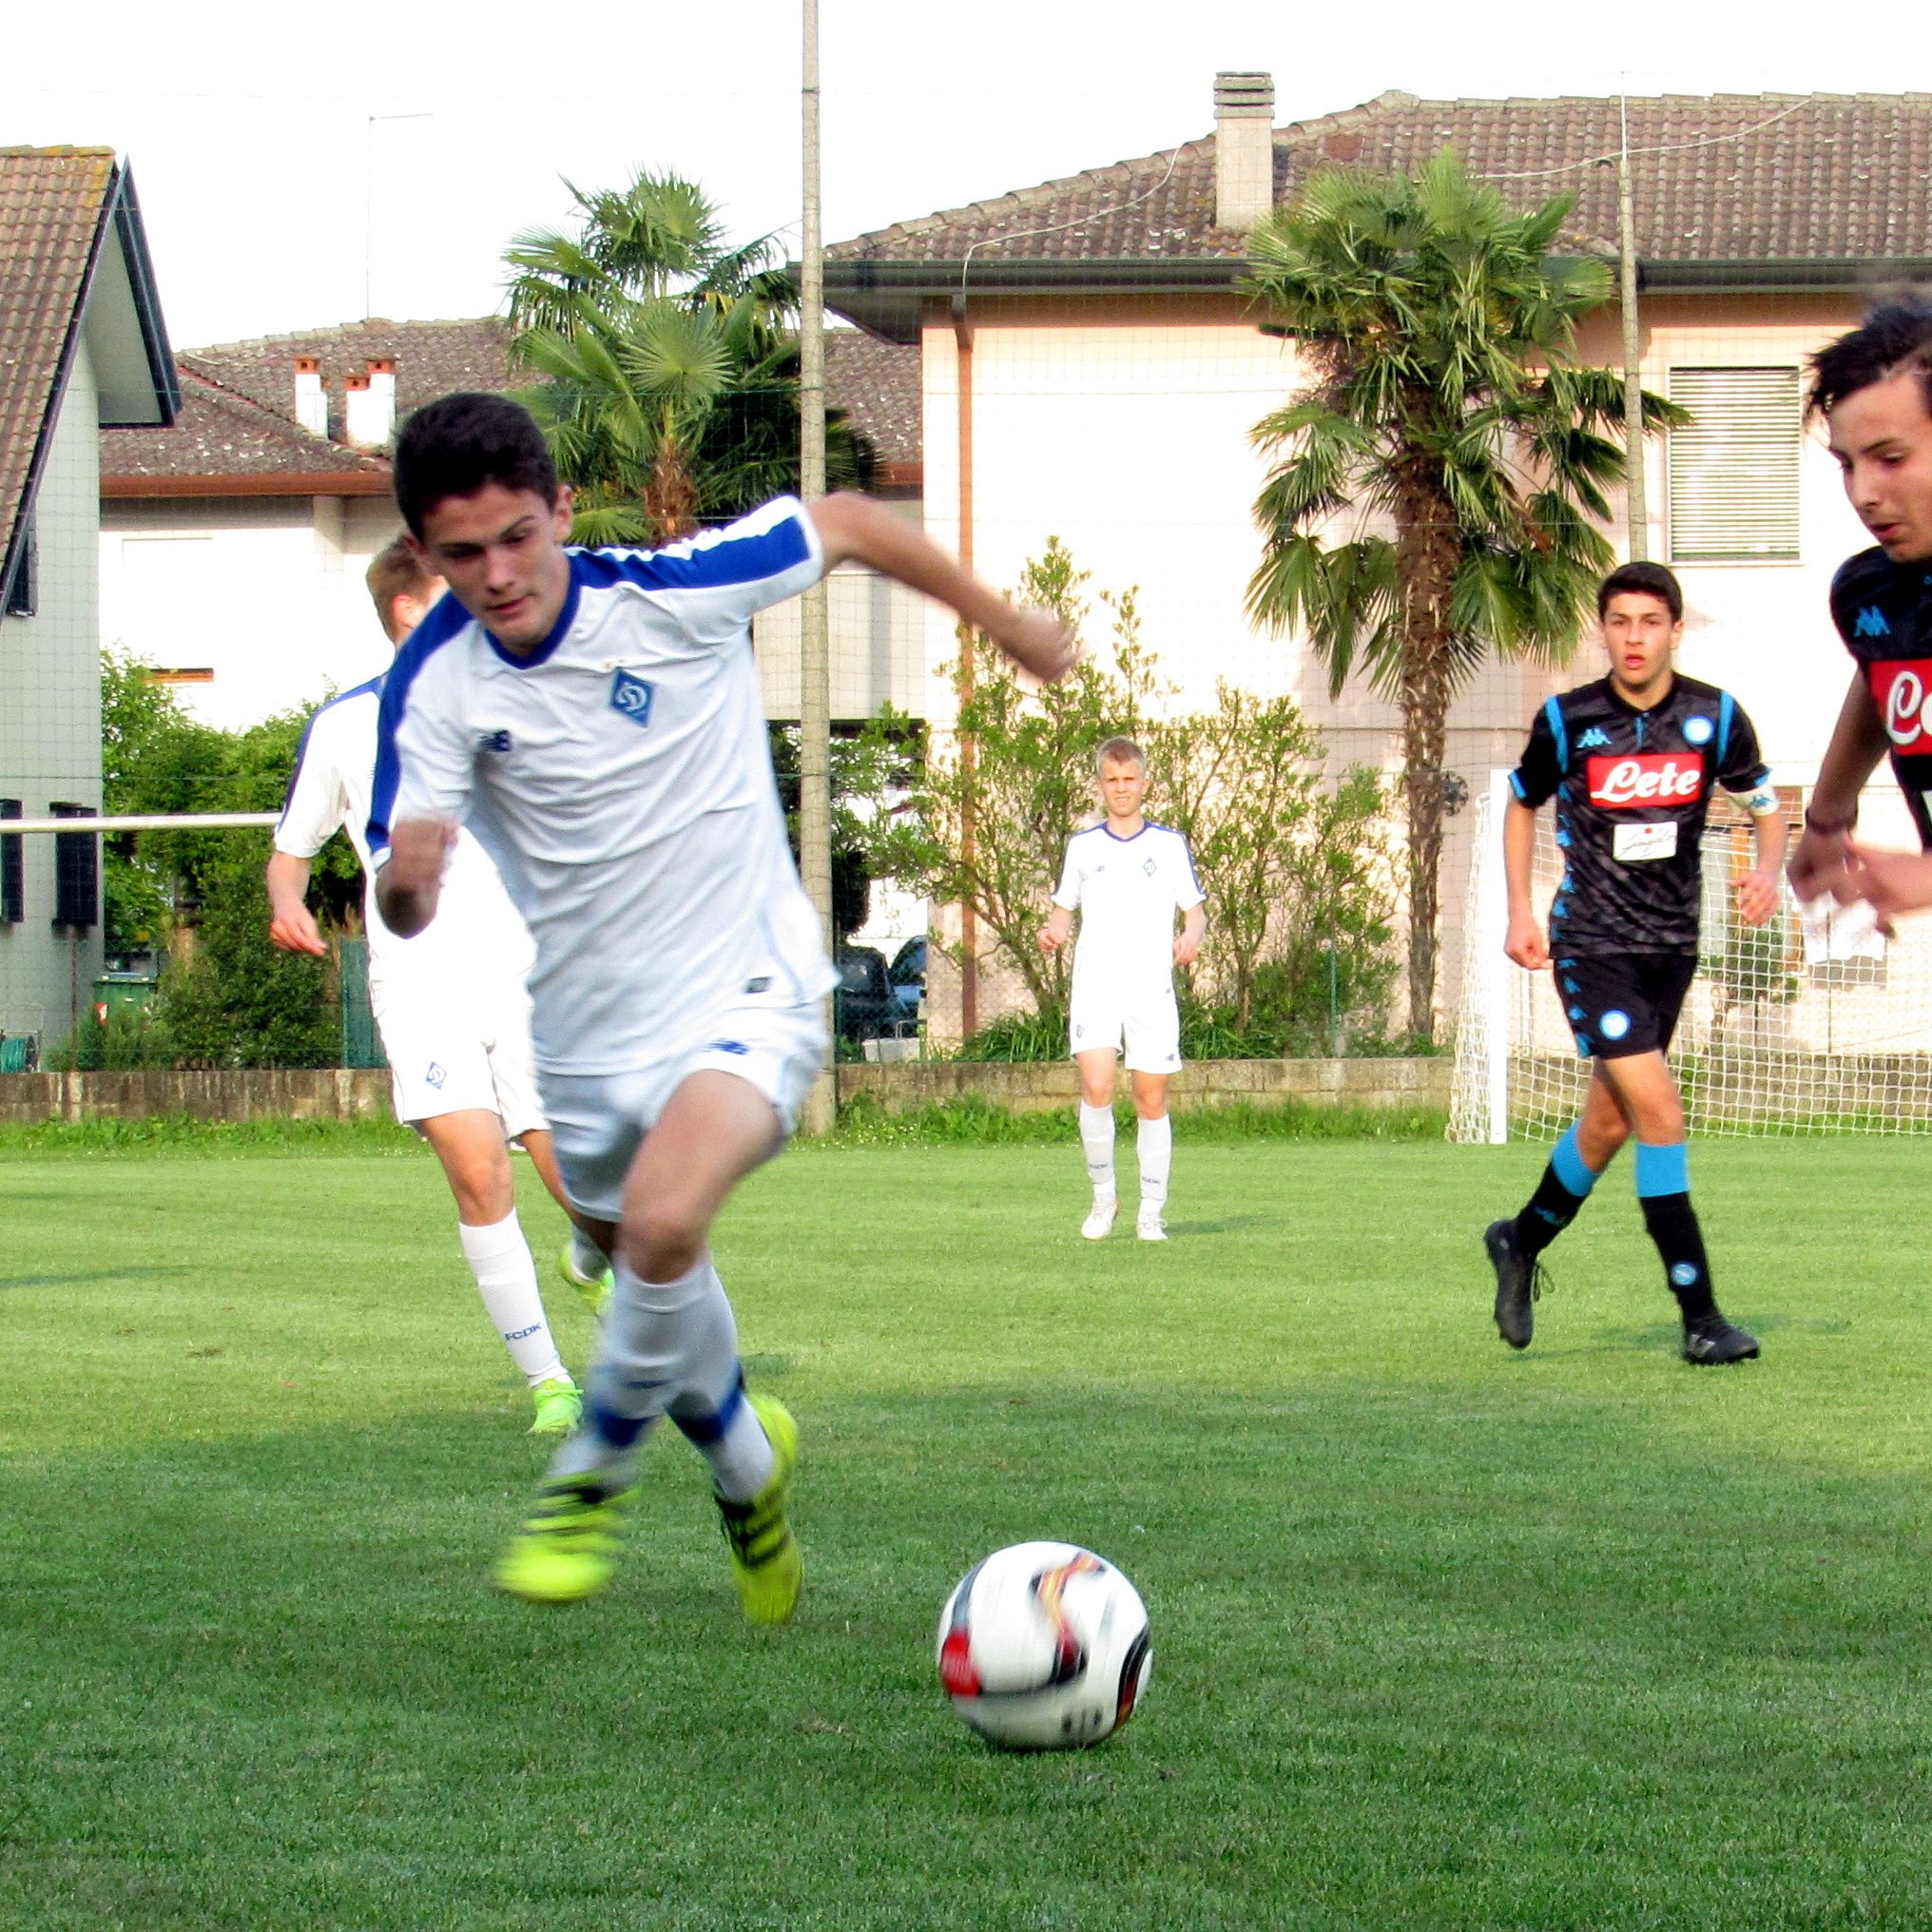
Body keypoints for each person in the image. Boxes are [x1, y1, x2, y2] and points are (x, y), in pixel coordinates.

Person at [370, 392, 1074, 1617]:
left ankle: (587, 1472)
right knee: (642, 1243)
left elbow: (848, 519)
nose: (497, 574)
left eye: (518, 536)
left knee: (661, 1219)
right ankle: (748, 1464)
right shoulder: (430, 688)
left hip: (749, 986)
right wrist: (408, 885)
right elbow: (400, 896)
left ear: (557, 514)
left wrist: (1006, 625)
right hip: (583, 1037)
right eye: (462, 553)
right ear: (426, 556)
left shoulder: (667, 591)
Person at [267, 538, 610, 1439]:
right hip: (420, 984)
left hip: (525, 975)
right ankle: (551, 1384)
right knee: (479, 1172)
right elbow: (289, 854)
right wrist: (288, 905)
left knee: (570, 1168)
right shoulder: (345, 726)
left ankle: (593, 1249)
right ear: (413, 614)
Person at [1481, 561, 1786, 1365]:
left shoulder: (1714, 717)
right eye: (1620, 622)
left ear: (1674, 630)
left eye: (1650, 622)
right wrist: (1520, 908)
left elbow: (1763, 803)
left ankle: (1519, 1240)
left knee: (1609, 1122)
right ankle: (1702, 1317)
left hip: (1670, 949)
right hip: (1590, 945)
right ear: (1603, 629)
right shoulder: (1568, 718)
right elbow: (1521, 800)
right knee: (1661, 1116)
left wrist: (1767, 867)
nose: (1634, 638)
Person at [1787, 294, 1932, 931]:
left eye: (1891, 459)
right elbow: (1884, 672)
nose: (1863, 494)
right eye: (1848, 464)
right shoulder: (1872, 593)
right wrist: (1827, 816)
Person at [1039, 738, 1206, 1242]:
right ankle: (1102, 1197)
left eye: (1129, 779)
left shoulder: (1168, 844)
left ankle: (1151, 1208)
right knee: (1096, 1086)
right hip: (1096, 985)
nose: (1121, 788)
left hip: (1150, 989)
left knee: (1150, 1099)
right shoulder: (1083, 847)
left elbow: (1194, 910)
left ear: (1144, 784)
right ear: (1100, 786)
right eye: (1112, 780)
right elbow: (1063, 909)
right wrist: (1054, 931)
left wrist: (1190, 938)